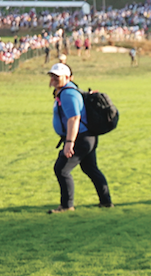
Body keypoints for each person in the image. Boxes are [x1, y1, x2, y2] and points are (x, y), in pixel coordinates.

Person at [47, 62, 112, 212]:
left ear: (68, 77)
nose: (54, 79)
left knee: (61, 169)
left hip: (80, 138)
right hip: (85, 137)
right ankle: (106, 202)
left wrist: (70, 142)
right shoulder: (64, 91)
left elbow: (74, 118)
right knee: (90, 168)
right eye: (52, 76)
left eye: (57, 77)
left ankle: (66, 205)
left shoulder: (68, 94)